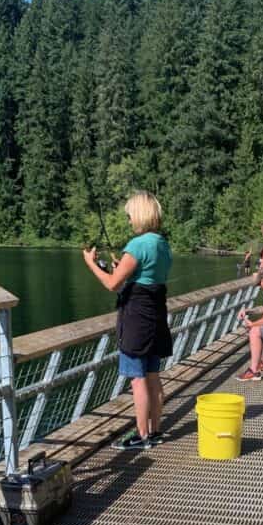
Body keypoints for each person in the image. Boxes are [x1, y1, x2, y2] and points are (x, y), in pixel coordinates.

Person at [83, 190, 172, 451]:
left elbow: (112, 283)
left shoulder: (137, 245)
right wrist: (123, 265)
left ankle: (142, 436)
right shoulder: (162, 244)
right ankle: (155, 432)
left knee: (138, 380)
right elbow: (146, 275)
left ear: (140, 214)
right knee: (154, 376)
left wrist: (91, 264)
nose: (129, 220)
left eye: (130, 215)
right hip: (156, 318)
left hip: (136, 320)